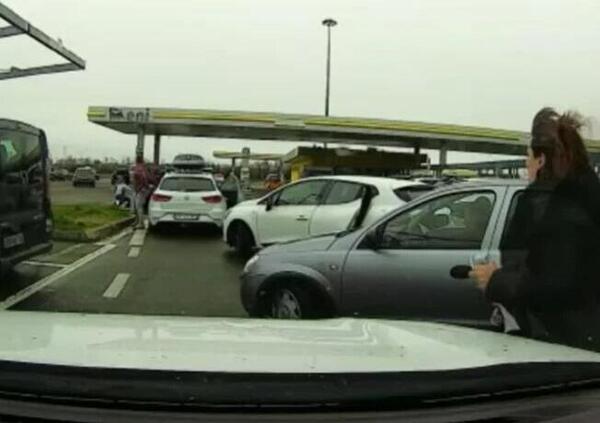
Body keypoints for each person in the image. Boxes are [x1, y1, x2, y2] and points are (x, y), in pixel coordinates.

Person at [469, 107, 600, 351]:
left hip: (569, 350)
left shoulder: (558, 210)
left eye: (528, 157)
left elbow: (558, 284)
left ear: (541, 160)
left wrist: (495, 280)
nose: (526, 164)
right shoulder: (583, 198)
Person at [132, 157, 152, 229]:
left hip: (141, 190)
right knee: (138, 206)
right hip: (143, 189)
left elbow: (143, 179)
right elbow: (149, 178)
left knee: (138, 206)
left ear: (136, 161)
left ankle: (141, 223)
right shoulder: (144, 169)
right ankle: (138, 221)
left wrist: (141, 187)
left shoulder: (138, 169)